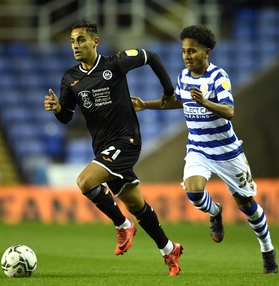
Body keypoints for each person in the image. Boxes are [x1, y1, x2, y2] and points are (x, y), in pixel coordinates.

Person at [131, 25, 278, 274]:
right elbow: (178, 101)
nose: (187, 56)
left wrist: (205, 102)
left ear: (206, 52)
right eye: (184, 52)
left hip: (227, 151)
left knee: (247, 205)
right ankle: (216, 212)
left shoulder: (218, 77)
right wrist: (147, 104)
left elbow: (230, 111)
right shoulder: (183, 77)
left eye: (192, 51)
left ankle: (267, 250)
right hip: (198, 147)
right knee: (194, 191)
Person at [43, 20, 183, 276]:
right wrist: (57, 109)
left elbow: (151, 56)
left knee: (85, 181)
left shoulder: (114, 63)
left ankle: (122, 225)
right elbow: (66, 117)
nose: (76, 45)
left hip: (126, 140)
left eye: (81, 39)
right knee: (136, 204)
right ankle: (169, 249)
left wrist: (169, 91)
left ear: (95, 42)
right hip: (103, 148)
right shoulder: (70, 78)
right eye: (73, 41)